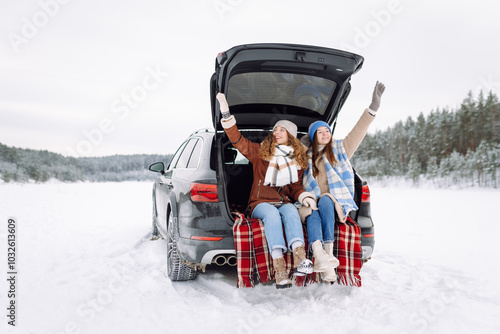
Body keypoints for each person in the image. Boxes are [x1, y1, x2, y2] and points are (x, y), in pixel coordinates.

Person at [216, 93, 316, 289]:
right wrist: (226, 113)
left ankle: (300, 259)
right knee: (272, 214)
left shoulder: (296, 161)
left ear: (291, 136)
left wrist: (304, 197)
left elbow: (295, 188)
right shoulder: (260, 152)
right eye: (275, 129)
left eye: (282, 130)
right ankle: (279, 270)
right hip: (260, 203)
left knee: (290, 212)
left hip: (283, 202)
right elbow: (237, 140)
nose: (277, 132)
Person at [301, 81, 386, 282]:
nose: (325, 134)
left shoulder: (340, 150)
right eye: (320, 132)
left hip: (334, 202)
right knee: (312, 214)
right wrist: (303, 143)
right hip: (309, 201)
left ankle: (329, 254)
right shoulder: (304, 156)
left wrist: (373, 108)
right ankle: (322, 259)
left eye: (327, 131)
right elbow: (281, 152)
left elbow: (358, 131)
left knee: (325, 201)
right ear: (313, 137)